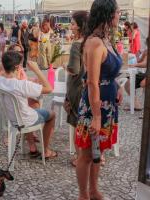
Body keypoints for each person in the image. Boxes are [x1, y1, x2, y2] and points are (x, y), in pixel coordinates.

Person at [75, 1, 122, 199]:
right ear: (108, 14)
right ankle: (83, 195)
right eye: (118, 12)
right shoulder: (95, 42)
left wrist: (117, 87)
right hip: (95, 106)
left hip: (107, 104)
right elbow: (93, 82)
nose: (120, 15)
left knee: (98, 150)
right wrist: (95, 116)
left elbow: (105, 73)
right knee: (86, 154)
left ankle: (94, 190)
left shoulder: (105, 38)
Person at [0, 51, 57, 159]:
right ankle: (46, 151)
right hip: (25, 119)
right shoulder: (22, 85)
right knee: (52, 115)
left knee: (30, 108)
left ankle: (33, 147)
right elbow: (49, 88)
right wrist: (36, 70)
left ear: (3, 66)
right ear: (18, 67)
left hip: (12, 120)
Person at [63, 11, 88, 167]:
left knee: (76, 122)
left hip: (77, 87)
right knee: (88, 123)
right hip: (90, 87)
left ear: (80, 25)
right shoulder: (93, 41)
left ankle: (80, 159)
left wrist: (66, 67)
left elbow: (74, 69)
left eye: (72, 24)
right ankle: (96, 156)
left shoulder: (77, 44)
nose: (71, 27)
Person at [124, 37, 148, 110]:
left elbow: (145, 64)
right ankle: (135, 104)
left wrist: (135, 65)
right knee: (128, 82)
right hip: (145, 74)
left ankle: (140, 105)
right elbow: (140, 61)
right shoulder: (146, 51)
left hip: (147, 75)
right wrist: (134, 57)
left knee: (143, 83)